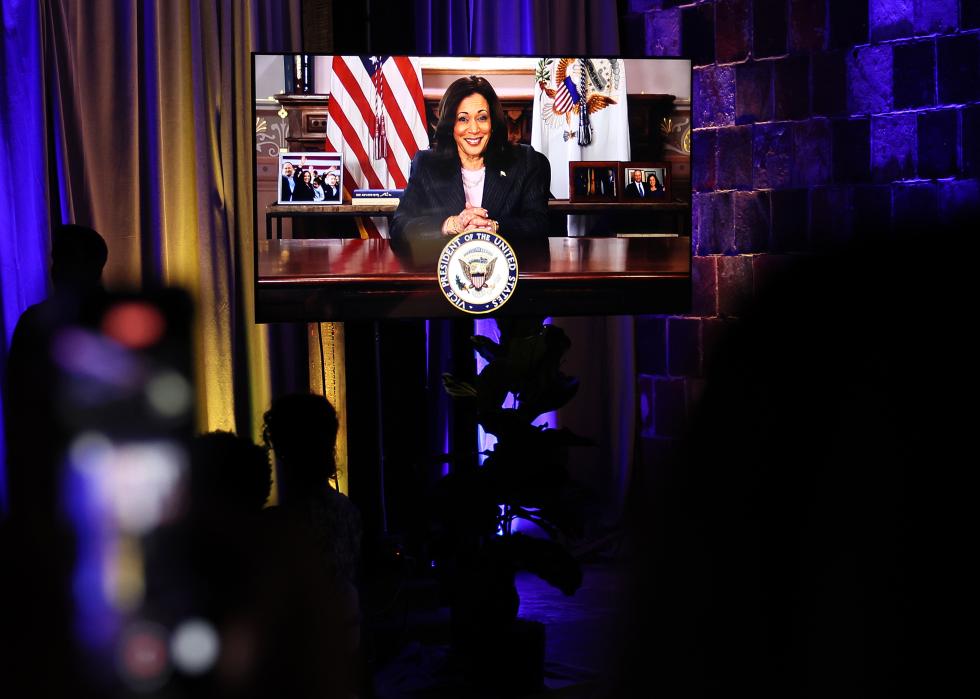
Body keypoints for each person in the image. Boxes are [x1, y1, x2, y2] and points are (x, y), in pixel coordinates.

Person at [391, 75, 550, 241]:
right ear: (450, 125)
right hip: (443, 265)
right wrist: (451, 225)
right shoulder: (427, 164)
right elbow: (400, 227)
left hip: (509, 264)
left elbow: (539, 225)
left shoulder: (525, 161)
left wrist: (493, 227)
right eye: (463, 119)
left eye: (482, 117)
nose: (474, 129)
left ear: (493, 123)